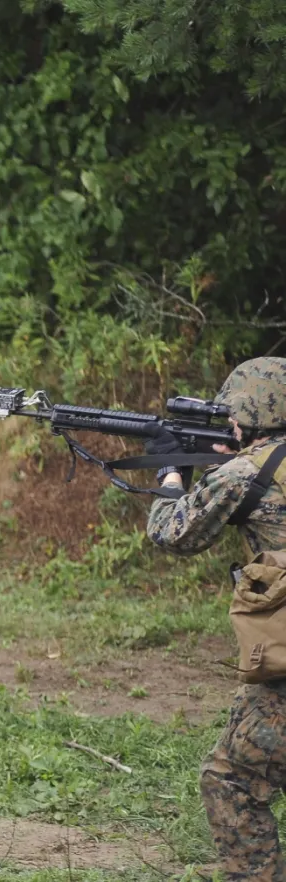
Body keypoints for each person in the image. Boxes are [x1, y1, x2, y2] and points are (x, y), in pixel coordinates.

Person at [145, 357, 286, 881]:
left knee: (231, 778)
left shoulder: (247, 471)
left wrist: (170, 471)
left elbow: (171, 531)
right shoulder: (253, 466)